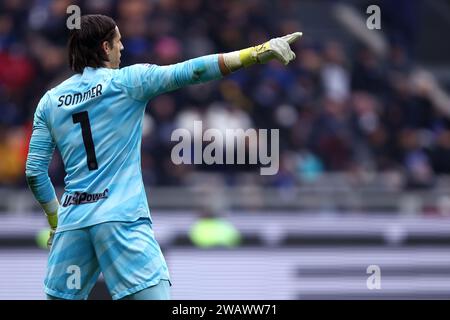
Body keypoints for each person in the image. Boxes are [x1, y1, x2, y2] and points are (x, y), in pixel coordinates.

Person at [25, 14, 301, 300]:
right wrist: (256, 53)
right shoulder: (128, 82)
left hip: (73, 223)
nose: (123, 48)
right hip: (121, 219)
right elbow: (192, 71)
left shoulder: (50, 101)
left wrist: (56, 222)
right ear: (105, 48)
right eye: (119, 41)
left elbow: (34, 172)